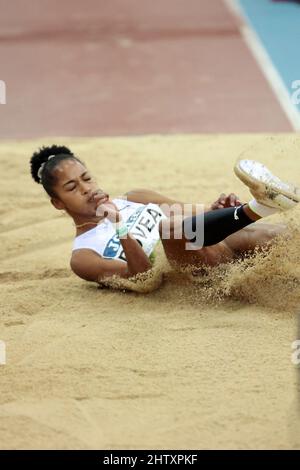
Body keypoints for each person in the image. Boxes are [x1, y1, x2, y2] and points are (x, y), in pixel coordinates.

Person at [30, 145, 299, 284]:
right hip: (195, 272)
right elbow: (142, 278)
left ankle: (253, 210)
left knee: (263, 235)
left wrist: (218, 208)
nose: (87, 189)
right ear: (58, 203)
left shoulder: (135, 197)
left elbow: (192, 213)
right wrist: (120, 228)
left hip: (214, 243)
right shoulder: (83, 257)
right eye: (72, 187)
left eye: (87, 178)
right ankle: (260, 207)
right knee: (167, 228)